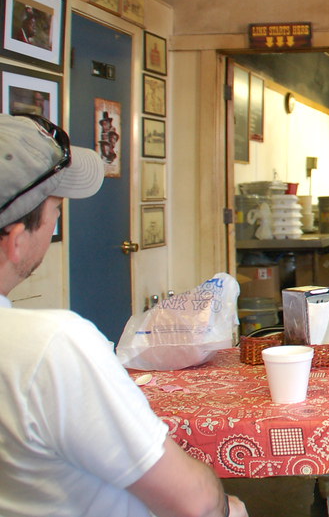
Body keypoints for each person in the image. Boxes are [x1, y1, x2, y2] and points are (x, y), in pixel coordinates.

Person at [0, 113, 247, 517]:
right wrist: (227, 506)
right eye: (55, 211)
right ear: (15, 240)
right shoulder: (51, 347)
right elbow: (195, 503)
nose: (56, 221)